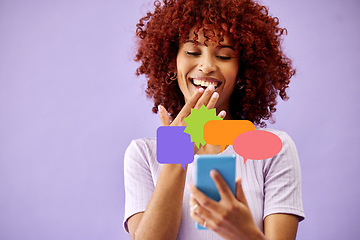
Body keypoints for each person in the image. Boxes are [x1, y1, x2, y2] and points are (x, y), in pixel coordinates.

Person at [123, 0, 305, 239]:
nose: (207, 66)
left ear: (243, 71)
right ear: (171, 63)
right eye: (192, 52)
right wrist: (176, 156)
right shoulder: (143, 153)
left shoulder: (274, 148)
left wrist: (244, 232)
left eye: (224, 55)